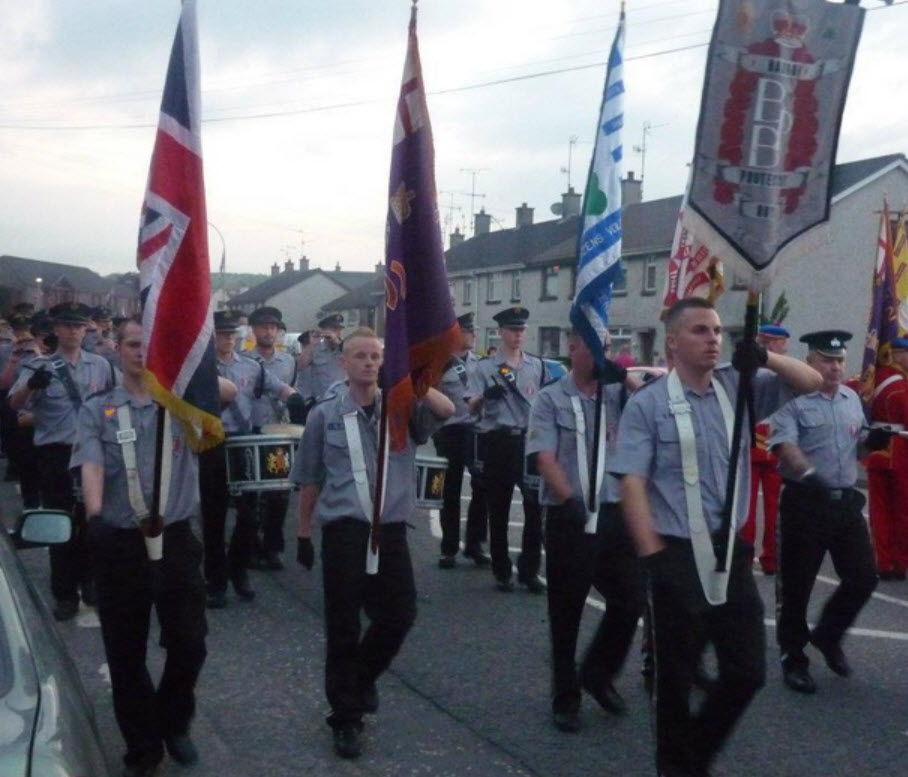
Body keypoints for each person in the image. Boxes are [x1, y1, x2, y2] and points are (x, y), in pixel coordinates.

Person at [611, 298, 821, 777]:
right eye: (701, 331)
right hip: (675, 552)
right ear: (672, 342)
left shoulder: (737, 386)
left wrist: (764, 357)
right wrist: (653, 557)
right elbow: (631, 482)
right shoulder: (649, 403)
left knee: (747, 671)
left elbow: (810, 382)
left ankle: (694, 756)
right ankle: (677, 767)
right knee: (676, 679)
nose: (713, 339)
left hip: (729, 548)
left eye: (718, 331)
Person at [291, 327, 454, 759]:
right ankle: (345, 717)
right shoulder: (324, 414)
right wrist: (304, 533)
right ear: (343, 363)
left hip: (391, 530)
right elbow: (309, 478)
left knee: (399, 615)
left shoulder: (401, 406)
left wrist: (411, 380)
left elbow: (447, 409)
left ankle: (361, 680)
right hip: (345, 531)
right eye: (360, 356)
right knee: (343, 627)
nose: (369, 362)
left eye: (376, 356)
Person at [72, 317, 207, 777]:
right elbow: (90, 462)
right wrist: (94, 518)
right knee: (126, 652)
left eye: (149, 346)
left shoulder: (184, 405)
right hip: (121, 540)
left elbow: (225, 395)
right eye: (132, 344)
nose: (140, 353)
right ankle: (143, 745)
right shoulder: (98, 408)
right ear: (117, 349)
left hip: (175, 538)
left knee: (189, 643)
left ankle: (173, 721)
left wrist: (190, 362)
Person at [527, 329, 643, 733]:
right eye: (594, 347)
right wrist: (569, 499)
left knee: (630, 599)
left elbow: (650, 402)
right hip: (570, 516)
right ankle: (565, 695)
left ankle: (597, 671)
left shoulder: (616, 395)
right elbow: (544, 456)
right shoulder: (550, 398)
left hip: (612, 514)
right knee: (566, 611)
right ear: (573, 349)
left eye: (607, 348)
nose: (601, 356)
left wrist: (622, 374)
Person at [770, 330, 884, 694]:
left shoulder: (851, 399)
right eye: (826, 360)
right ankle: (793, 657)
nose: (834, 367)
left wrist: (873, 442)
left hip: (844, 503)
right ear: (810, 363)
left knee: (864, 577)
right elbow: (784, 445)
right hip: (805, 502)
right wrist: (808, 473)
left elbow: (859, 449)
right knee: (797, 585)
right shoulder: (793, 398)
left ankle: (828, 634)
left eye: (838, 360)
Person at [9, 301, 116, 621]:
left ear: (86, 330)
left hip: (93, 454)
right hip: (56, 454)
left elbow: (114, 402)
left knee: (93, 521)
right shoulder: (38, 367)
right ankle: (65, 593)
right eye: (67, 326)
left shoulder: (100, 365)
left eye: (79, 326)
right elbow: (15, 406)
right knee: (61, 524)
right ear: (56, 329)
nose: (73, 331)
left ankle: (91, 581)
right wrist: (30, 386)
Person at [200, 310, 300, 607]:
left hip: (244, 442)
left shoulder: (250, 366)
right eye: (222, 334)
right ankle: (216, 582)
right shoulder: (199, 369)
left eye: (232, 334)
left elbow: (278, 387)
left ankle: (238, 568)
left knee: (249, 515)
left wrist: (293, 398)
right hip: (212, 443)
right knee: (213, 517)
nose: (228, 339)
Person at [469, 306, 551, 593]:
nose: (518, 335)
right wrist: (483, 396)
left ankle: (529, 570)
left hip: (527, 442)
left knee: (534, 508)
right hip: (498, 441)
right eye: (512, 330)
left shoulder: (537, 366)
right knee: (499, 509)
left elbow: (543, 404)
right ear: (501, 332)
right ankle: (502, 570)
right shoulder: (484, 367)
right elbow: (469, 407)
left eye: (521, 330)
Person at [246, 305, 302, 570]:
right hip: (251, 431)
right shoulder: (244, 360)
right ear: (254, 330)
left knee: (279, 494)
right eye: (263, 327)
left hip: (278, 433)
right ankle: (250, 546)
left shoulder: (288, 361)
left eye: (273, 327)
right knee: (251, 495)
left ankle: (273, 546)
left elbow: (290, 390)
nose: (268, 332)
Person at [433, 312, 490, 568]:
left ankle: (475, 543)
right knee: (450, 491)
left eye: (474, 330)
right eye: (468, 330)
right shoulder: (441, 364)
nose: (473, 334)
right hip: (451, 431)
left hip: (478, 431)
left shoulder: (481, 364)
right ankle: (449, 547)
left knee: (482, 487)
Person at [740, 324, 790, 575]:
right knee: (748, 510)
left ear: (783, 345)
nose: (768, 346)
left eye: (773, 342)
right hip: (756, 445)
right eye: (765, 342)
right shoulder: (754, 370)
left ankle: (768, 558)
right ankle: (752, 558)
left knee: (772, 510)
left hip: (772, 447)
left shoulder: (785, 372)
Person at [866, 336, 908, 580]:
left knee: (879, 512)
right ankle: (899, 563)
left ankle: (882, 561)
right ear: (898, 354)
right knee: (901, 512)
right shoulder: (901, 387)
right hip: (900, 454)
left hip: (876, 451)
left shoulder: (872, 377)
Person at [296, 313, 346, 410]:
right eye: (333, 329)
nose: (336, 332)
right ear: (324, 330)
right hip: (321, 403)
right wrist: (312, 344)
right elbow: (300, 366)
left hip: (342, 401)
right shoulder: (315, 349)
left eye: (338, 329)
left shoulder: (346, 347)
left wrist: (337, 342)